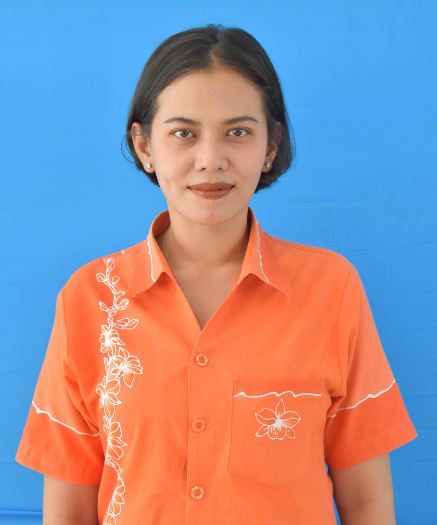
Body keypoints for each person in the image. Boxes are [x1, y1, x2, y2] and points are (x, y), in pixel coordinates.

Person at [15, 24, 418, 524]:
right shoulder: (91, 298)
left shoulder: (331, 289)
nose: (210, 160)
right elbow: (69, 511)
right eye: (183, 133)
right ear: (144, 146)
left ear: (271, 145)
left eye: (238, 132)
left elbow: (368, 504)